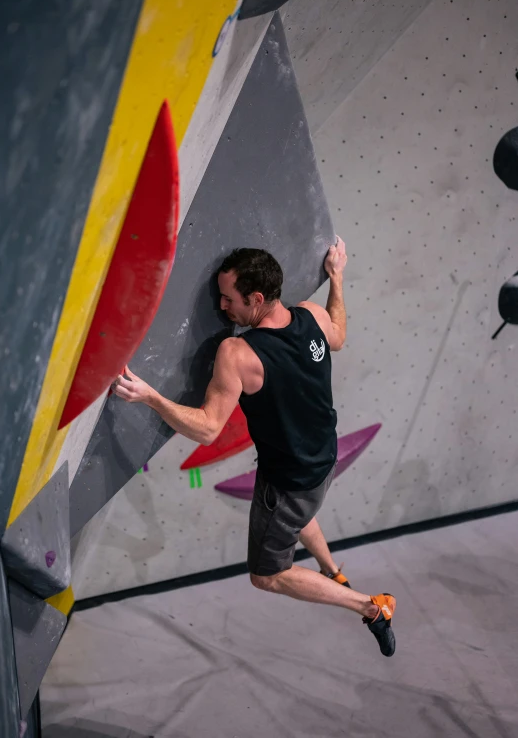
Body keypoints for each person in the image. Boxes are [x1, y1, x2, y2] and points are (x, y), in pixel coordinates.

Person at [113, 237, 397, 656]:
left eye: (228, 299)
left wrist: (150, 397)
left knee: (267, 574)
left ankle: (371, 608)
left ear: (257, 298)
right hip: (322, 459)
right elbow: (337, 336)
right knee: (298, 515)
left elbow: (208, 428)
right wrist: (336, 279)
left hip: (289, 479)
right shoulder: (313, 315)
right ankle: (332, 571)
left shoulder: (238, 353)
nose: (222, 308)